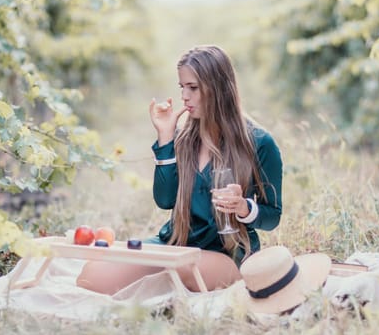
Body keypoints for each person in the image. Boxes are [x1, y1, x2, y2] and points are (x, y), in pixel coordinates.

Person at [77, 45, 283, 295]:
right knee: (92, 276)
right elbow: (164, 200)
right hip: (174, 245)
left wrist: (243, 207)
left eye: (193, 88)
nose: (185, 96)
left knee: (179, 269)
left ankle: (162, 283)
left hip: (226, 254)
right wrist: (165, 138)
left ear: (218, 88)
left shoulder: (259, 143)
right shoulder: (184, 138)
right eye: (182, 87)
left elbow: (272, 217)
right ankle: (157, 279)